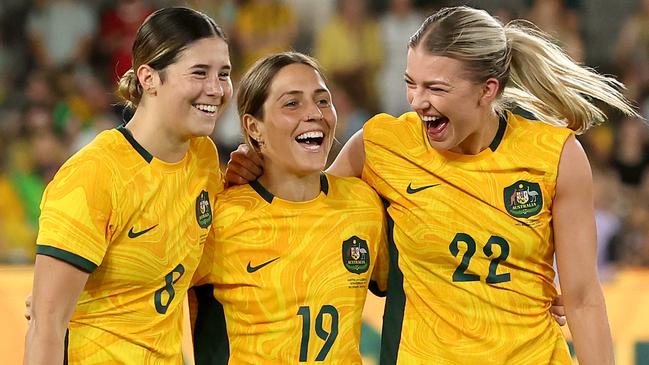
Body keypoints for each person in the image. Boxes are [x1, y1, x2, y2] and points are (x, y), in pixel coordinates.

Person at [226, 6, 640, 364]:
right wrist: (255, 164)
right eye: (411, 82)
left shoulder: (555, 155)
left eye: (435, 88)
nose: (416, 101)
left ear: (487, 90)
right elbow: (307, 207)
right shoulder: (383, 144)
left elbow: (583, 300)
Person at [24, 7, 232, 364]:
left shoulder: (203, 157)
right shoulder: (95, 173)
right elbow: (46, 325)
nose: (215, 89)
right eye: (199, 73)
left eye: (224, 74)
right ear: (149, 78)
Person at [190, 52, 388, 364]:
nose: (314, 113)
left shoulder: (364, 203)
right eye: (292, 103)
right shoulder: (222, 217)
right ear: (253, 127)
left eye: (323, 100)